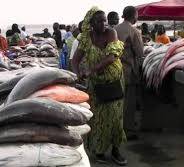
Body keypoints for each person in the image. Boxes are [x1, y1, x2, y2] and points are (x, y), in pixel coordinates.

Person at [72, 7, 127, 166]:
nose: (104, 23)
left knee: (116, 117)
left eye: (104, 20)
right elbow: (75, 61)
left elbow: (111, 57)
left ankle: (116, 150)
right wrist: (77, 74)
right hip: (96, 86)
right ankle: (99, 150)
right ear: (91, 23)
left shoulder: (111, 33)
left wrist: (91, 70)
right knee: (97, 119)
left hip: (114, 83)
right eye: (99, 20)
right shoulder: (85, 38)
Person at [115, 6, 144, 136]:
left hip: (114, 69)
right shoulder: (134, 31)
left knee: (116, 101)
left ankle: (115, 127)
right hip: (128, 71)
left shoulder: (114, 29)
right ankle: (128, 130)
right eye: (137, 15)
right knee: (129, 102)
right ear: (134, 15)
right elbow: (140, 52)